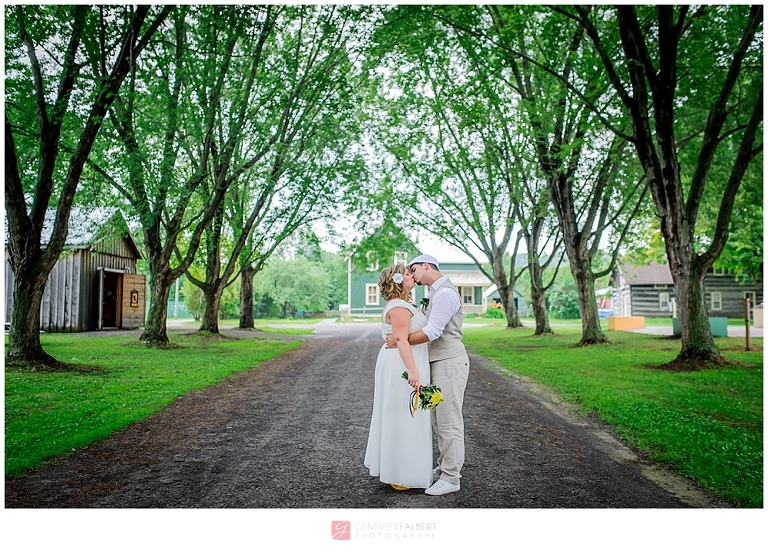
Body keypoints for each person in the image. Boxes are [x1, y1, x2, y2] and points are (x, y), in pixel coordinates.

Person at [386, 254, 469, 496]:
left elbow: (433, 331)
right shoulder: (434, 293)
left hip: (449, 362)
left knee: (449, 421)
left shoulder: (445, 294)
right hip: (436, 362)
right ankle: (445, 468)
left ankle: (452, 477)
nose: (411, 275)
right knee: (437, 420)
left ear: (426, 265)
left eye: (413, 269)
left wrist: (401, 340)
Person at [364, 264, 433, 490]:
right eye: (406, 273)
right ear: (397, 280)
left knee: (404, 416)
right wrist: (414, 371)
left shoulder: (404, 304)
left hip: (397, 360)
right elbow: (402, 340)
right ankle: (400, 473)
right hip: (399, 364)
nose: (411, 276)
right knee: (403, 415)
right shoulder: (399, 306)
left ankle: (403, 469)